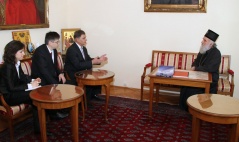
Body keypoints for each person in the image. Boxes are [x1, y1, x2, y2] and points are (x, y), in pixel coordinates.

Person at [0, 40, 41, 133]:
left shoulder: (17, 63)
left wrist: (33, 80)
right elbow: (11, 88)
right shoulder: (7, 67)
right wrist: (30, 85)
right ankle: (39, 128)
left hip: (16, 92)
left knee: (36, 98)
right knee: (35, 94)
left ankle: (39, 126)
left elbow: (22, 76)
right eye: (21, 52)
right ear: (13, 53)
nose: (23, 53)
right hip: (8, 97)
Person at [179, 29, 221, 111]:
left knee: (191, 90)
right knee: (185, 86)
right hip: (199, 78)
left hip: (210, 81)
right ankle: (185, 109)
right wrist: (194, 66)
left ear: (211, 43)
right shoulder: (203, 50)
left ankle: (195, 111)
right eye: (203, 39)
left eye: (204, 40)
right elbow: (196, 61)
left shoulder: (216, 53)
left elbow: (210, 68)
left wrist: (196, 68)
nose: (202, 42)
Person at [64, 30, 108, 106]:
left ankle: (92, 96)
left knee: (97, 75)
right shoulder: (71, 50)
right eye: (83, 38)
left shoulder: (84, 49)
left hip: (82, 70)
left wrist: (98, 60)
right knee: (90, 78)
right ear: (77, 39)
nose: (86, 40)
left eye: (85, 38)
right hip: (74, 73)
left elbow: (87, 60)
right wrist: (92, 62)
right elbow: (77, 65)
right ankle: (84, 103)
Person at [31, 31, 69, 119]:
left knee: (67, 83)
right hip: (40, 79)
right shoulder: (40, 52)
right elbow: (44, 71)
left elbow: (55, 65)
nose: (58, 43)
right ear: (50, 42)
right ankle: (53, 113)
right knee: (53, 88)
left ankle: (61, 108)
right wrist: (55, 84)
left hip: (50, 76)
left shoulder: (54, 50)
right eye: (57, 42)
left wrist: (60, 74)